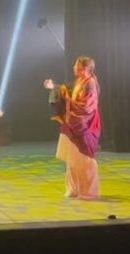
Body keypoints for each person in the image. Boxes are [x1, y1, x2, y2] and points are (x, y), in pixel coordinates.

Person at [45, 56, 101, 199]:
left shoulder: (90, 83)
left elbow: (86, 106)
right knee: (72, 157)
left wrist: (68, 103)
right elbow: (65, 91)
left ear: (85, 69)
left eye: (77, 66)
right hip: (73, 123)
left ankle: (88, 191)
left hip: (84, 123)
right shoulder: (79, 81)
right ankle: (73, 188)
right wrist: (53, 87)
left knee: (84, 158)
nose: (74, 68)